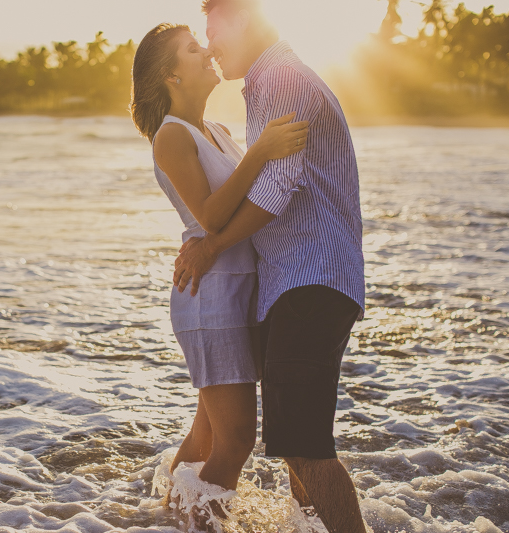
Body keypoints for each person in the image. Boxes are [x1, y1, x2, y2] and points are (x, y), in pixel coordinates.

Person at [172, 1, 368, 532]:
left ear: (246, 18)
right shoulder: (266, 82)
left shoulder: (279, 77)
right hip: (295, 282)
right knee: (294, 445)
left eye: (213, 30)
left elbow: (277, 186)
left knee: (304, 444)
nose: (211, 44)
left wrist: (212, 246)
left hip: (312, 278)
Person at [130, 22, 309, 513]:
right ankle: (194, 524)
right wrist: (263, 151)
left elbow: (254, 198)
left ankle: (166, 517)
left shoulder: (220, 132)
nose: (207, 49)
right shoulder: (171, 137)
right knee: (236, 444)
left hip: (238, 292)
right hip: (209, 297)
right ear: (171, 75)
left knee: (207, 440)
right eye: (192, 49)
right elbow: (210, 216)